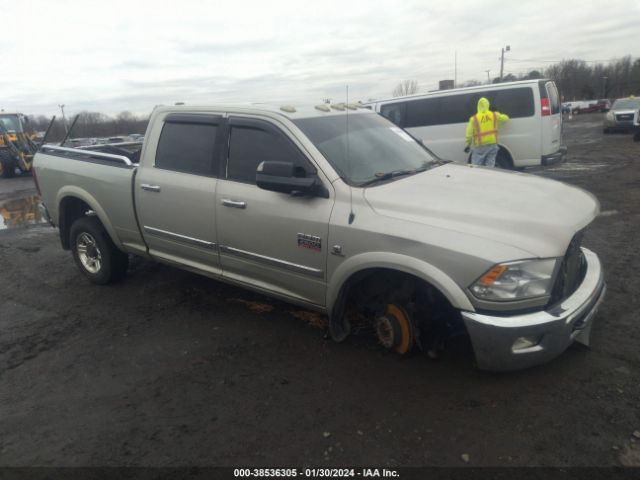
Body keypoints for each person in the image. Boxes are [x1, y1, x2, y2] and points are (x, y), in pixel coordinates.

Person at [464, 97, 509, 167]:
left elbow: (469, 135)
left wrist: (468, 144)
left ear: (478, 106)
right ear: (487, 105)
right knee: (490, 166)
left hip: (479, 146)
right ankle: (489, 177)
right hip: (492, 144)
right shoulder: (494, 115)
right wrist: (497, 113)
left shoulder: (474, 118)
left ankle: (479, 177)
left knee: (476, 166)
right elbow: (506, 118)